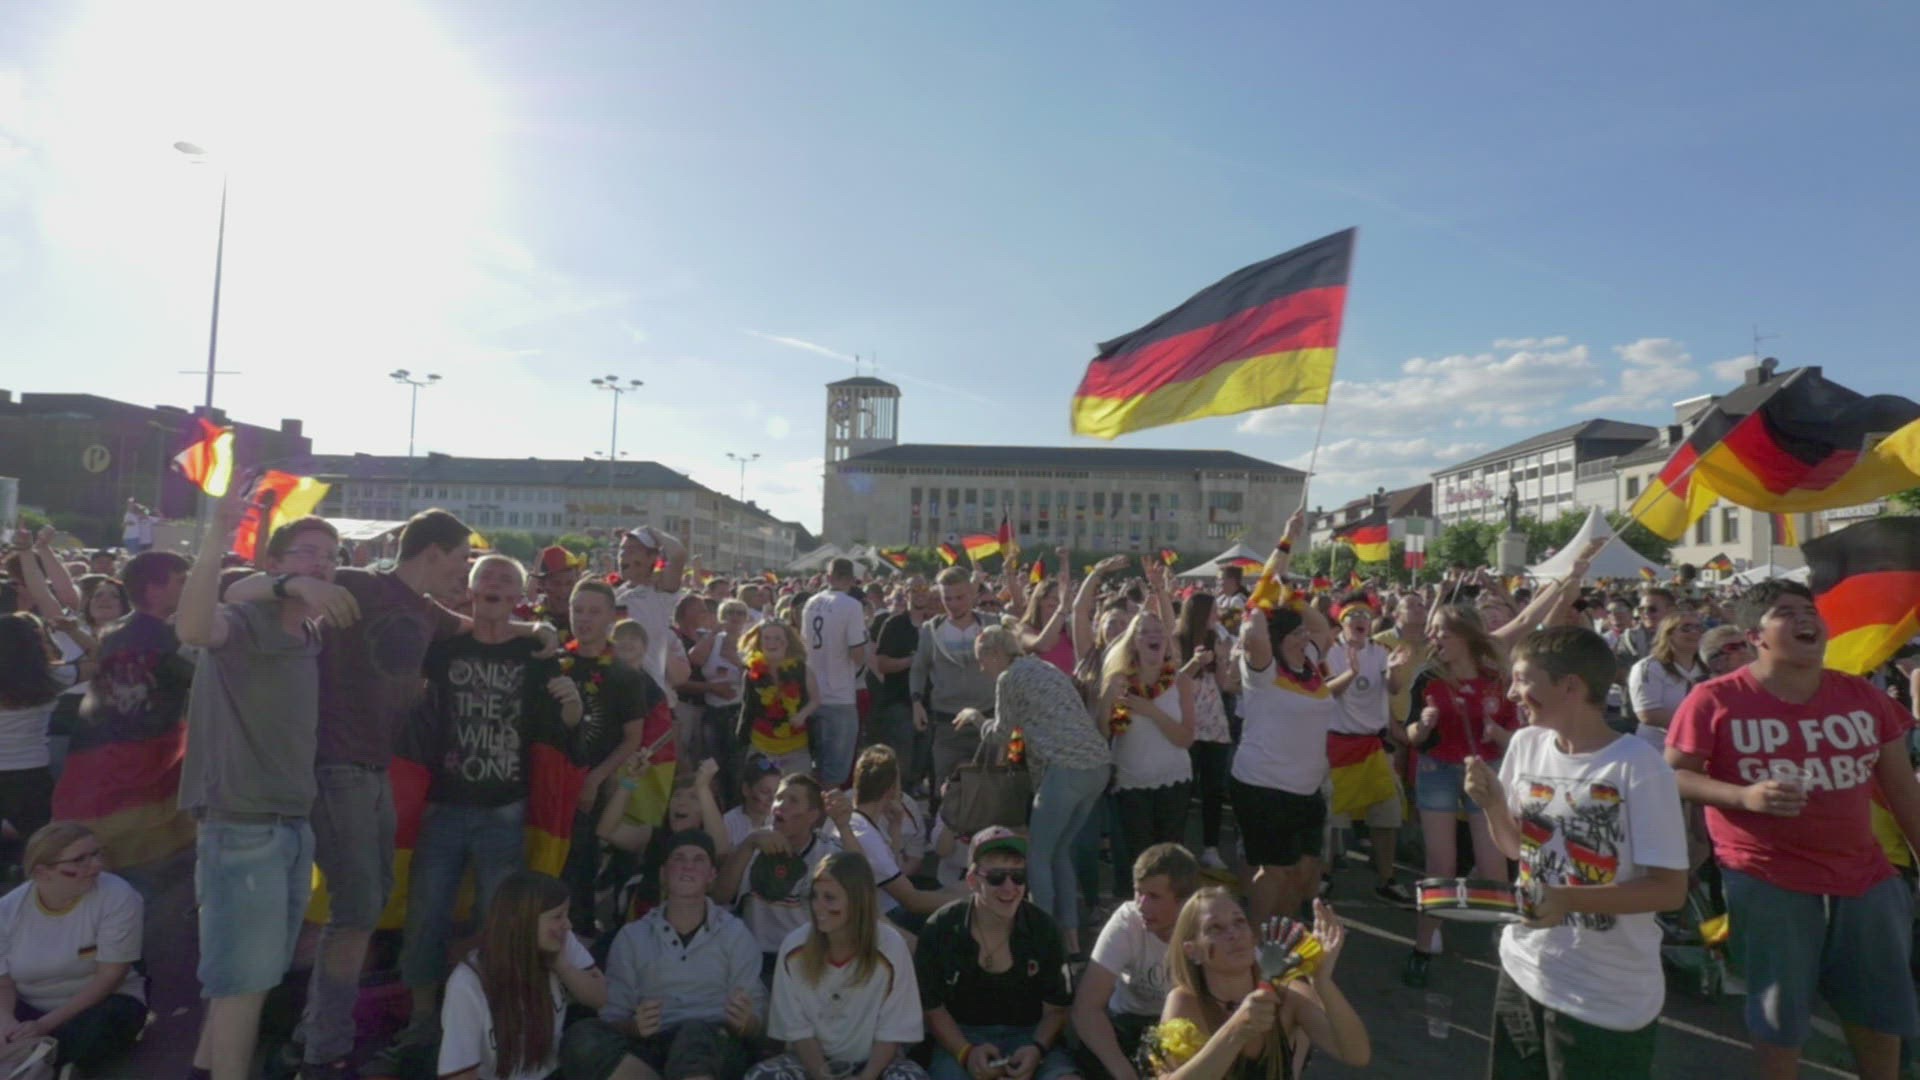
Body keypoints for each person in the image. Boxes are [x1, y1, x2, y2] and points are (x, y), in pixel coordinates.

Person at [217, 506, 485, 1080]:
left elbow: (469, 628)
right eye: (462, 558)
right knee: (356, 909)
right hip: (334, 767)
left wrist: (536, 634)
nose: (465, 570)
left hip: (374, 771)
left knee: (370, 899)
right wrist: (302, 584)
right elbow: (236, 591)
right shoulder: (359, 583)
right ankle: (322, 1049)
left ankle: (311, 1030)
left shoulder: (425, 610)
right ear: (433, 552)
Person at [1666, 581, 1920, 1080]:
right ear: (1755, 636)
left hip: (1866, 879)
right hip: (1768, 879)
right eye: (1786, 613)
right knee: (1780, 1020)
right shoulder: (1714, 698)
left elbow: (1902, 792)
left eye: (1810, 611)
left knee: (1880, 1011)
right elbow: (1673, 775)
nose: (1807, 619)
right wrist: (1744, 796)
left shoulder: (1862, 695)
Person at [1464, 627, 1689, 1079]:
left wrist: (1566, 899)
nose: (1511, 694)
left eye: (1522, 680)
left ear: (1570, 686)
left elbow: (1669, 890)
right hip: (1524, 969)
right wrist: (1491, 805)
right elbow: (1517, 849)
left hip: (1604, 997)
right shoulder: (1526, 744)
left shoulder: (1638, 767)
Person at [396, 554, 584, 1049]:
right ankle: (421, 1019)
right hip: (442, 804)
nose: (496, 583)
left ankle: (483, 1015)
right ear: (471, 591)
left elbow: (558, 733)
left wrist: (573, 708)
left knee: (497, 922)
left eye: (506, 579)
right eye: (487, 577)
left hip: (505, 810)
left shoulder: (534, 656)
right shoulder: (443, 648)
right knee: (425, 914)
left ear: (519, 596)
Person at [176, 505, 334, 1080]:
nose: (323, 564)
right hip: (241, 823)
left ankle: (203, 1069)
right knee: (244, 983)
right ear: (277, 565)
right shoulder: (245, 621)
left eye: (331, 556)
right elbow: (194, 629)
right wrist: (215, 536)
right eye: (308, 553)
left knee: (251, 979)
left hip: (290, 823)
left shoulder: (310, 633)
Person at [560, 830, 767, 1080]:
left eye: (698, 859)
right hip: (652, 1046)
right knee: (582, 1036)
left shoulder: (735, 933)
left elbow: (758, 1021)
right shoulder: (632, 936)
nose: (688, 866)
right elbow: (613, 1016)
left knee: (694, 1034)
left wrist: (745, 1023)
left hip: (714, 1045)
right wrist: (634, 1027)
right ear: (663, 874)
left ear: (712, 875)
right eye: (679, 858)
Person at [960, 622, 1109, 954]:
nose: (982, 668)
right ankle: (1070, 940)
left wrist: (974, 717)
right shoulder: (1044, 667)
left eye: (981, 660)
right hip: (1097, 766)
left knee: (1038, 856)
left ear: (995, 654)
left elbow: (1000, 733)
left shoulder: (1009, 677)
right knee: (1061, 851)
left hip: (1066, 769)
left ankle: (1043, 937)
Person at [1402, 604, 1519, 989]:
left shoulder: (1496, 678)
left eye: (1443, 632)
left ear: (1466, 636)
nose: (1434, 638)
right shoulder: (1428, 677)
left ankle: (1509, 944)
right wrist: (1423, 726)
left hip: (1484, 771)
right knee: (1441, 864)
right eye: (1433, 631)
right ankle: (1422, 946)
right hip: (1437, 769)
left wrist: (1496, 734)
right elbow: (1410, 735)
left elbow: (1515, 736)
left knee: (1493, 864)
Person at [57, 549, 196, 867]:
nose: (189, 588)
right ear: (153, 589)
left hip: (98, 766)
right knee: (139, 864)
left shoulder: (116, 633)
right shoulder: (164, 640)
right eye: (181, 581)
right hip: (139, 772)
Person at [914, 827, 1080, 1080]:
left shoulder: (1044, 929)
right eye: (996, 877)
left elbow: (1058, 1008)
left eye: (1018, 876)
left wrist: (1037, 1049)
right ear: (972, 881)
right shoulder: (942, 928)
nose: (1009, 887)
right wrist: (966, 1053)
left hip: (1030, 1035)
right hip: (960, 1037)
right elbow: (932, 1007)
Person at [751, 852, 927, 1080]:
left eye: (830, 898)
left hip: (875, 1064)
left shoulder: (891, 947)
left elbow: (893, 1030)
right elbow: (798, 1031)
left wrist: (867, 1077)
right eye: (814, 896)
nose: (818, 907)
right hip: (811, 1063)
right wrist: (823, 1076)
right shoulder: (794, 948)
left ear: (858, 901)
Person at [1157, 889, 1369, 1079]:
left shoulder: (1288, 995)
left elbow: (1357, 1055)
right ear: (1192, 950)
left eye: (1239, 922)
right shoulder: (1185, 1002)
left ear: (1252, 936)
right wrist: (1235, 1030)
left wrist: (1322, 982)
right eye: (1215, 928)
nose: (1234, 934)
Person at [0, 823, 147, 1073]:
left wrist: (44, 1025)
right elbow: (3, 983)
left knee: (101, 1027)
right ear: (42, 872)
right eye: (80, 860)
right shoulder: (7, 910)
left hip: (101, 1002)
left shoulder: (118, 896)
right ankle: (42, 1061)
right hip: (28, 1005)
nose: (96, 866)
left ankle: (34, 1060)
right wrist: (6, 1021)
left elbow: (110, 977)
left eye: (96, 854)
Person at [438, 871, 608, 1080]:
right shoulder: (467, 983)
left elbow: (599, 996)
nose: (568, 925)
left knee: (593, 1041)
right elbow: (460, 1074)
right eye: (557, 917)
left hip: (552, 1072)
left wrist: (562, 966)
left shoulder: (560, 940)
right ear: (521, 922)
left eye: (566, 915)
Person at [1071, 844, 1201, 1080]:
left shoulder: (1208, 925)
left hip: (1188, 1028)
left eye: (1154, 896)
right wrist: (1125, 1074)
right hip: (1129, 1025)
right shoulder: (1127, 921)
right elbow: (1086, 1008)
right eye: (1138, 892)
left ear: (1184, 902)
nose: (1141, 904)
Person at [1322, 602, 1416, 905]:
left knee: (1387, 816)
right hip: (1338, 746)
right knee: (1331, 820)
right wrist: (1351, 672)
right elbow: (1327, 692)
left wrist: (1397, 670)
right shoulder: (1331, 651)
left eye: (1365, 615)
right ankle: (1322, 877)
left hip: (1373, 746)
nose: (1360, 620)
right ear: (1342, 621)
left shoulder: (1380, 651)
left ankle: (1386, 880)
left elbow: (1393, 688)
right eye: (1353, 615)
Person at [713, 773, 842, 974]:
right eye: (779, 798)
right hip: (753, 959)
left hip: (805, 959)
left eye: (793, 801)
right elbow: (720, 896)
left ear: (812, 815)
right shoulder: (754, 842)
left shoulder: (828, 853)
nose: (780, 805)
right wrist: (747, 845)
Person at [1101, 607, 1197, 860]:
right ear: (1134, 641)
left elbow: (1186, 739)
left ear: (1166, 641)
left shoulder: (1180, 682)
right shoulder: (1120, 681)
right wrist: (1108, 699)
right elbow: (1103, 733)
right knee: (1138, 858)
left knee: (1169, 859)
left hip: (1173, 780)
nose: (1153, 636)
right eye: (1145, 632)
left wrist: (1151, 711)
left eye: (1159, 631)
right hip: (1131, 782)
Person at [843, 747, 963, 930]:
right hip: (885, 918)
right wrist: (973, 902)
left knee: (960, 888)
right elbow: (913, 901)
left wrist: (895, 828)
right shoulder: (866, 836)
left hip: (887, 906)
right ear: (892, 789)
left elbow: (894, 873)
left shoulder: (854, 822)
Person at [910, 568, 997, 793]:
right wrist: (916, 702)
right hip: (947, 723)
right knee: (946, 790)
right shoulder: (932, 630)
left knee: (990, 788)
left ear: (972, 594)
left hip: (986, 719)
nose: (953, 604)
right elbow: (919, 668)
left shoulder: (991, 624)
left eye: (960, 597)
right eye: (947, 598)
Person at [1172, 594, 1236, 872]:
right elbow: (1174, 679)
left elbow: (1224, 684)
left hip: (1214, 722)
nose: (1217, 615)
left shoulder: (1216, 638)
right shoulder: (1177, 640)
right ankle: (1177, 848)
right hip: (1186, 719)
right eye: (1213, 611)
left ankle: (1211, 847)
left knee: (1213, 789)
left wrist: (1221, 659)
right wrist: (1197, 661)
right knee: (1184, 789)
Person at [801, 558, 872, 788]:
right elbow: (857, 654)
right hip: (839, 695)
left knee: (816, 767)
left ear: (827, 577)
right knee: (835, 774)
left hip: (812, 693)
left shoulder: (811, 602)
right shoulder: (851, 605)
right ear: (851, 580)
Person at [0, 613, 61, 866]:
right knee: (36, 857)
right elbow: (99, 656)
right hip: (33, 779)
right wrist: (71, 630)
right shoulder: (54, 677)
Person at [869, 583, 937, 787]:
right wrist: (912, 661)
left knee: (922, 761)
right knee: (902, 761)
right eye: (915, 590)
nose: (920, 594)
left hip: (930, 702)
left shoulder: (935, 624)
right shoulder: (894, 624)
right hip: (899, 701)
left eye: (924, 590)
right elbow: (881, 664)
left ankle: (913, 794)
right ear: (906, 594)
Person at [738, 621, 821, 777]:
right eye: (767, 638)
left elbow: (815, 700)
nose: (772, 643)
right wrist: (740, 741)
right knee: (763, 787)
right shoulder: (751, 673)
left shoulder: (802, 669)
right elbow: (747, 709)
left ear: (787, 643)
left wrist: (802, 715)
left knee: (796, 786)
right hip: (762, 746)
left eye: (778, 638)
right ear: (759, 642)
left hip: (796, 748)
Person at [614, 527, 690, 691]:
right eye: (622, 549)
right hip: (618, 684)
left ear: (651, 558)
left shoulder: (660, 590)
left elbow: (678, 554)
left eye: (632, 550)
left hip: (651, 688)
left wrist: (652, 531)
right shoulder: (616, 594)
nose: (623, 555)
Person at [1626, 613, 1705, 749]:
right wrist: (1702, 724)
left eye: (1699, 628)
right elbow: (1648, 714)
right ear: (1668, 634)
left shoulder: (1708, 666)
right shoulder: (1649, 667)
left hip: (1699, 746)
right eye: (1686, 628)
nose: (1694, 632)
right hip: (1658, 748)